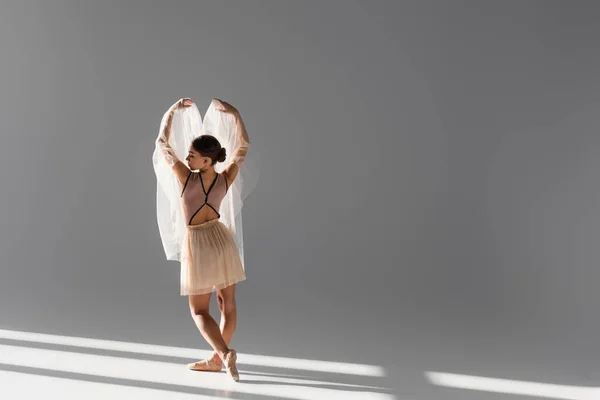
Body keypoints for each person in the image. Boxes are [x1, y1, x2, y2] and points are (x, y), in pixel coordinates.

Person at [153, 97, 253, 382]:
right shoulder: (225, 178)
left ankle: (223, 354)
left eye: (193, 155)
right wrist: (234, 114)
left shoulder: (186, 178)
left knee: (199, 310)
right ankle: (217, 359)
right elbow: (243, 146)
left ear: (207, 160)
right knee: (228, 304)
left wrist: (170, 112)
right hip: (222, 239)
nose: (188, 159)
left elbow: (162, 143)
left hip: (198, 242)